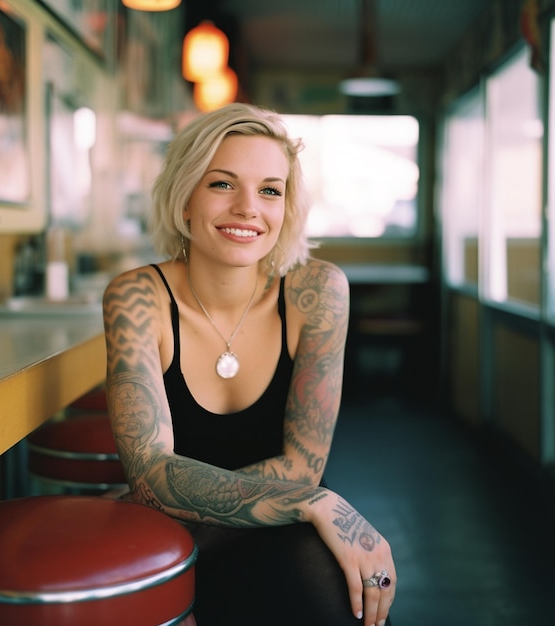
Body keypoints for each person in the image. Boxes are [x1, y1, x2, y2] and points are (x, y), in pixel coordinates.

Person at [102, 102, 396, 626]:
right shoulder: (137, 297)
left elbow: (302, 467)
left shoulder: (317, 292)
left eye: (269, 190)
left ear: (287, 208)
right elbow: (148, 473)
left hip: (265, 533)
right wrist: (315, 502)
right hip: (173, 538)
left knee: (337, 597)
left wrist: (309, 496)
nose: (247, 208)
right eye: (221, 184)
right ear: (185, 197)